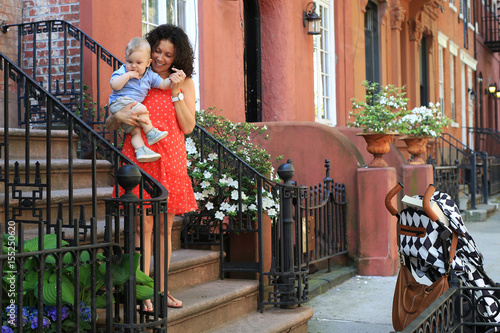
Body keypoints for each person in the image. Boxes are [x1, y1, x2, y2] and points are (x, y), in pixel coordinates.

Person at [105, 25, 198, 310]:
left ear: (177, 57)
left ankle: (161, 290)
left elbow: (188, 126)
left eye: (168, 55)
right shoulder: (135, 75)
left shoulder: (182, 82)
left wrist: (177, 92)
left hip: (169, 157)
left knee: (163, 229)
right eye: (157, 50)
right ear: (149, 49)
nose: (160, 58)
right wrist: (117, 116)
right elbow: (110, 126)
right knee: (140, 229)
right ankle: (140, 292)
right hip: (139, 156)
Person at [109, 37, 171, 162]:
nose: (133, 66)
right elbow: (114, 85)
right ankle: (151, 133)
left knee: (135, 132)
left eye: (138, 63)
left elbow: (164, 85)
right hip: (119, 103)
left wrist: (173, 79)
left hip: (132, 108)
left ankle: (141, 151)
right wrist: (127, 75)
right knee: (142, 108)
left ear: (148, 63)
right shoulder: (122, 71)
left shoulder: (149, 75)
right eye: (129, 61)